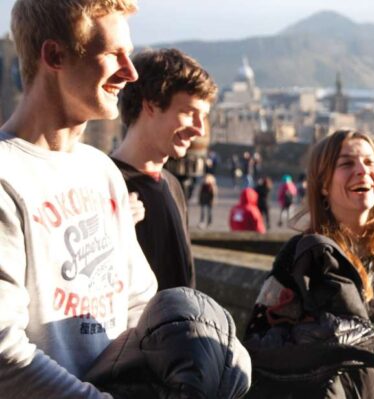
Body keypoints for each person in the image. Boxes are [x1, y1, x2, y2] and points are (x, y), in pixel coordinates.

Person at [0, 1, 157, 397]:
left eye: (130, 54)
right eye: (112, 54)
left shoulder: (101, 171)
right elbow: (3, 353)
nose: (131, 72)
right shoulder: (6, 175)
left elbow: (137, 301)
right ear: (54, 55)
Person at [249, 130, 374, 397]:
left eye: (369, 161)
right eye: (346, 163)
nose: (362, 170)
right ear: (324, 184)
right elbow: (261, 333)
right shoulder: (304, 254)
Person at [111, 48, 217, 290]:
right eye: (190, 113)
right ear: (151, 105)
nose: (200, 130)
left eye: (204, 117)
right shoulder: (105, 182)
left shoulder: (172, 184)